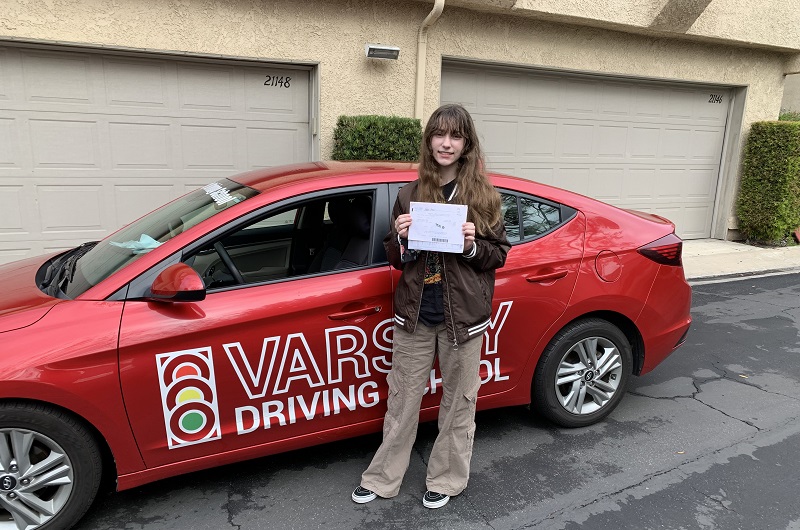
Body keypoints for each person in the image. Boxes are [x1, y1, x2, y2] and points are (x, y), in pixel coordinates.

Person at [352, 104, 510, 509]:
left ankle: (446, 479)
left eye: (455, 136)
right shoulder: (409, 194)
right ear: (429, 141)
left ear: (466, 144)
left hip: (463, 321)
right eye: (439, 134)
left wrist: (474, 244)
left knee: (459, 404)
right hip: (415, 316)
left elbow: (498, 255)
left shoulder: (483, 196)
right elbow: (395, 257)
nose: (446, 142)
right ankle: (383, 478)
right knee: (402, 399)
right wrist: (400, 238)